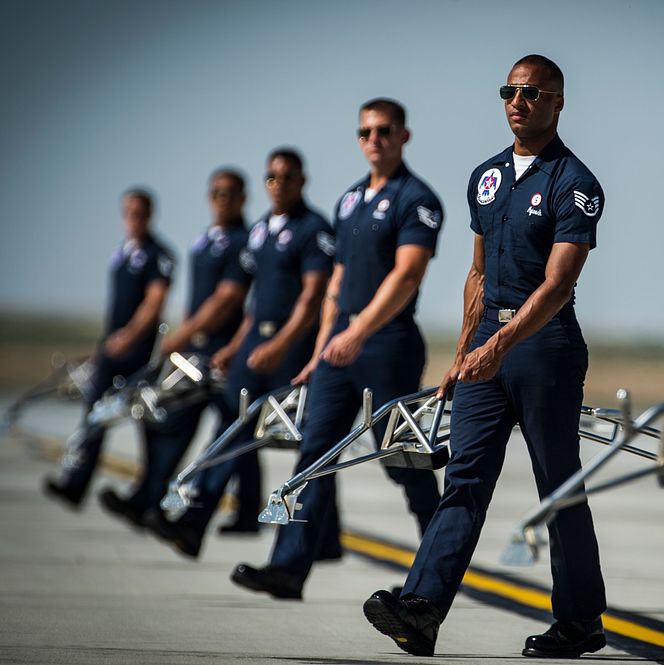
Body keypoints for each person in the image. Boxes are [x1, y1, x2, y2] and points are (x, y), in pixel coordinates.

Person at [364, 55, 607, 659]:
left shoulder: (574, 183)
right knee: (465, 477)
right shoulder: (486, 177)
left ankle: (579, 621)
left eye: (532, 92)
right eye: (509, 91)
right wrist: (463, 351)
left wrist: (500, 345)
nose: (518, 101)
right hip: (483, 353)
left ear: (557, 103)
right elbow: (475, 273)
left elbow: (557, 286)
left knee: (558, 486)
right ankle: (421, 609)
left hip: (543, 348)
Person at [230, 98, 444, 601]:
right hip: (338, 347)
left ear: (403, 136)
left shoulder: (418, 198)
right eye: (366, 132)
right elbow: (338, 279)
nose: (375, 140)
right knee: (313, 456)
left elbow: (408, 273)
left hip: (386, 344)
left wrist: (361, 331)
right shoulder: (349, 201)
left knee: (400, 459)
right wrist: (324, 346)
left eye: (385, 131)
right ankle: (287, 568)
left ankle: (437, 563)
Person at [145, 148, 334, 557]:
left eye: (287, 177)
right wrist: (235, 346)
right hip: (254, 348)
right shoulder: (261, 230)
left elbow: (313, 297)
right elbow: (254, 303)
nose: (278, 185)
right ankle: (194, 525)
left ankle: (325, 536)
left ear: (302, 181)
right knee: (230, 430)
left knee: (311, 441)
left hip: (290, 348)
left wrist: (280, 345)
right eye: (272, 177)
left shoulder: (313, 229)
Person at [99, 168, 252, 528]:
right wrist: (187, 333)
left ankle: (238, 513)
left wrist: (183, 334)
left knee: (234, 431)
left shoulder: (244, 241)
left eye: (229, 193)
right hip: (197, 349)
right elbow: (198, 299)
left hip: (225, 351)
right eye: (215, 193)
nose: (221, 200)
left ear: (243, 199)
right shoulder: (204, 241)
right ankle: (148, 499)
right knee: (179, 425)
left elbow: (227, 298)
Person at [44, 188, 175, 507]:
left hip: (137, 350)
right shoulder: (121, 254)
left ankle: (151, 490)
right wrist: (108, 342)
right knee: (94, 415)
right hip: (111, 348)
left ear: (150, 215)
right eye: (128, 213)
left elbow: (154, 302)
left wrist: (128, 337)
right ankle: (76, 484)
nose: (134, 219)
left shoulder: (159, 255)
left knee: (148, 422)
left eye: (139, 213)